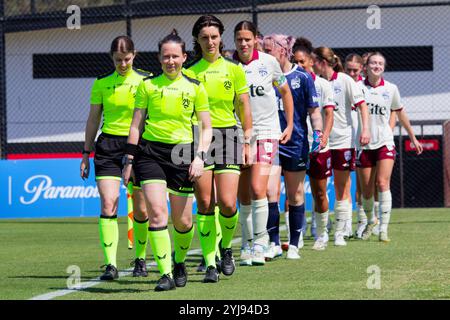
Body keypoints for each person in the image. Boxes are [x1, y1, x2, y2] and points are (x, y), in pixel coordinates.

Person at [122, 30, 212, 291]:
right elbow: (136, 125)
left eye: (175, 56)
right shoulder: (147, 85)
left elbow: (207, 127)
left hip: (184, 154)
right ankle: (166, 275)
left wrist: (200, 158)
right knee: (157, 213)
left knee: (183, 222)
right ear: (159, 59)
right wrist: (129, 160)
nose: (170, 61)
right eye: (165, 57)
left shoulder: (196, 87)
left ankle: (180, 261)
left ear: (184, 57)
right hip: (150, 154)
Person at [80, 36, 151, 281]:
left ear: (135, 55)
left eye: (127, 59)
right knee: (108, 202)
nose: (123, 64)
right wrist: (85, 153)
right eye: (118, 60)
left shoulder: (146, 80)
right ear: (112, 57)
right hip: (108, 146)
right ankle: (110, 264)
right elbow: (92, 120)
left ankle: (141, 259)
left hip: (139, 145)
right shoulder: (101, 84)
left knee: (141, 208)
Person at [187, 15, 252, 282]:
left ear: (220, 38)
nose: (210, 42)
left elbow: (244, 106)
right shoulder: (189, 71)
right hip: (198, 137)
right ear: (197, 41)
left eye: (214, 37)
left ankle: (226, 248)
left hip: (228, 137)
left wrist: (248, 140)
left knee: (226, 202)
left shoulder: (234, 69)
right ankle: (210, 260)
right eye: (204, 38)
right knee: (204, 202)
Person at [233, 21, 294, 265]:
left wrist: (289, 125)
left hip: (267, 131)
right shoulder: (230, 66)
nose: (244, 43)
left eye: (248, 39)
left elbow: (285, 92)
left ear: (256, 39)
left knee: (259, 188)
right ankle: (247, 245)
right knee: (243, 194)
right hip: (236, 135)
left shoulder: (269, 62)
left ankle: (261, 243)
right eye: (240, 39)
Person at [262, 34, 321, 260]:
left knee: (296, 194)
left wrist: (318, 134)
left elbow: (313, 111)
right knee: (270, 192)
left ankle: (294, 244)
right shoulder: (262, 76)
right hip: (270, 141)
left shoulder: (302, 77)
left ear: (283, 51)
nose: (265, 55)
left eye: (269, 50)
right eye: (264, 50)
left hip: (295, 142)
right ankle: (274, 243)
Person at [358, 52, 423, 242]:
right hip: (363, 143)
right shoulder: (357, 88)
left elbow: (400, 112)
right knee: (367, 190)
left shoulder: (391, 89)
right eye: (373, 63)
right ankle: (372, 221)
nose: (377, 66)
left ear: (384, 67)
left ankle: (384, 229)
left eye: (380, 63)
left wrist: (413, 137)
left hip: (385, 141)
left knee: (382, 183)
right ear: (366, 66)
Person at [312, 46, 371, 247]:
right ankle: (321, 229)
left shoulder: (344, 80)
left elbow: (362, 105)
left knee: (341, 187)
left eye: (314, 61)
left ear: (322, 62)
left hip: (342, 140)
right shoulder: (316, 83)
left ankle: (340, 232)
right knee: (319, 189)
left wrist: (365, 130)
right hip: (320, 142)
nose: (311, 65)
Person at [293, 38, 335, 251]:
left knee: (319, 193)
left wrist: (324, 136)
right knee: (295, 192)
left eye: (302, 62)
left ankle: (322, 233)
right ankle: (296, 236)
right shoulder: (288, 82)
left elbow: (328, 113)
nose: (299, 66)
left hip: (319, 147)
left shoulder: (322, 85)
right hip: (296, 145)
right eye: (295, 61)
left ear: (311, 62)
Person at [344, 53, 367, 239]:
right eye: (348, 69)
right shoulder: (341, 82)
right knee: (347, 183)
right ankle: (346, 225)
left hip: (363, 141)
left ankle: (364, 221)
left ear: (361, 69)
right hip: (345, 139)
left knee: (364, 184)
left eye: (355, 70)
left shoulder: (364, 87)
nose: (352, 73)